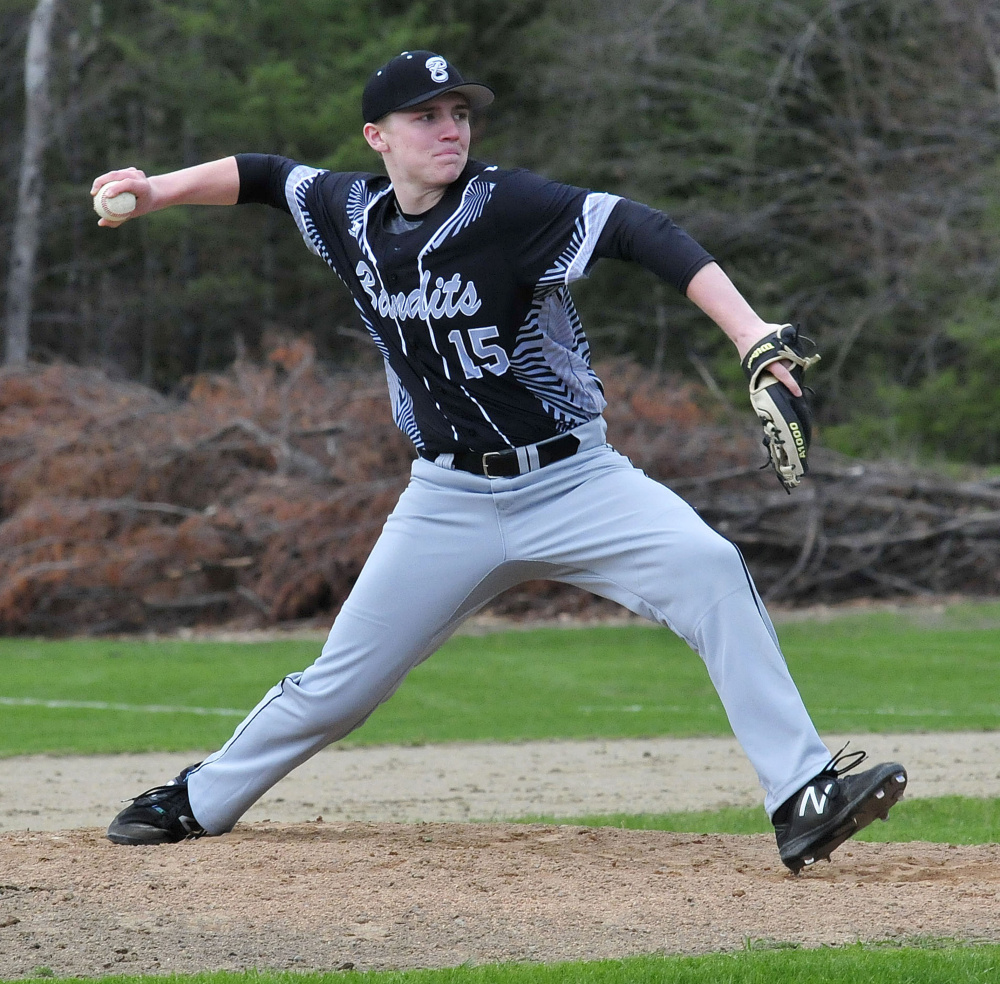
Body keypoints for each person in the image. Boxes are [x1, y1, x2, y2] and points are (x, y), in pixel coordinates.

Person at [93, 50, 906, 873]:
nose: (450, 129)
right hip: (445, 498)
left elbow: (638, 227)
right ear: (377, 136)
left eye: (460, 114)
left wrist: (751, 336)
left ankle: (803, 795)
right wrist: (160, 189)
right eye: (426, 116)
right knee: (342, 684)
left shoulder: (505, 205)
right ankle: (201, 799)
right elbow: (266, 174)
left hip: (575, 481)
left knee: (711, 569)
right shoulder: (350, 211)